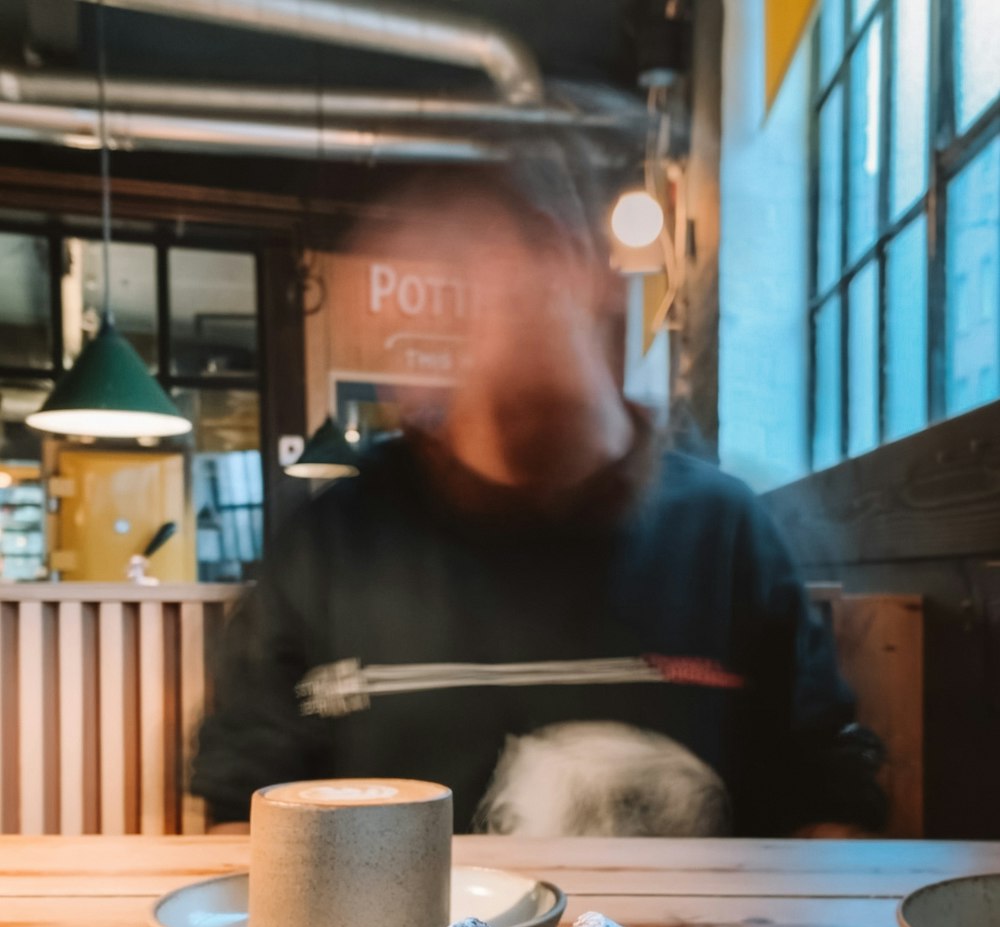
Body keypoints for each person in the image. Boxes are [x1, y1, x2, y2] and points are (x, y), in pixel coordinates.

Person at [191, 155, 885, 839]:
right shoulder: (329, 543)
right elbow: (239, 808)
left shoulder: (727, 531)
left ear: (573, 264)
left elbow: (829, 795)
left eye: (478, 273)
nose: (464, 327)